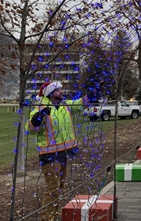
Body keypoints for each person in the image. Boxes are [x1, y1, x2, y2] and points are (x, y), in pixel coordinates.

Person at [26, 81, 98, 221]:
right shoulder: (41, 108)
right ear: (50, 93)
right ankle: (46, 218)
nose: (61, 91)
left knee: (59, 186)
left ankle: (53, 215)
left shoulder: (65, 105)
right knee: (52, 187)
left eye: (60, 89)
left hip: (63, 153)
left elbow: (81, 102)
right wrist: (39, 116)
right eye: (57, 90)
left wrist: (94, 92)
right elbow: (31, 129)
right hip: (49, 155)